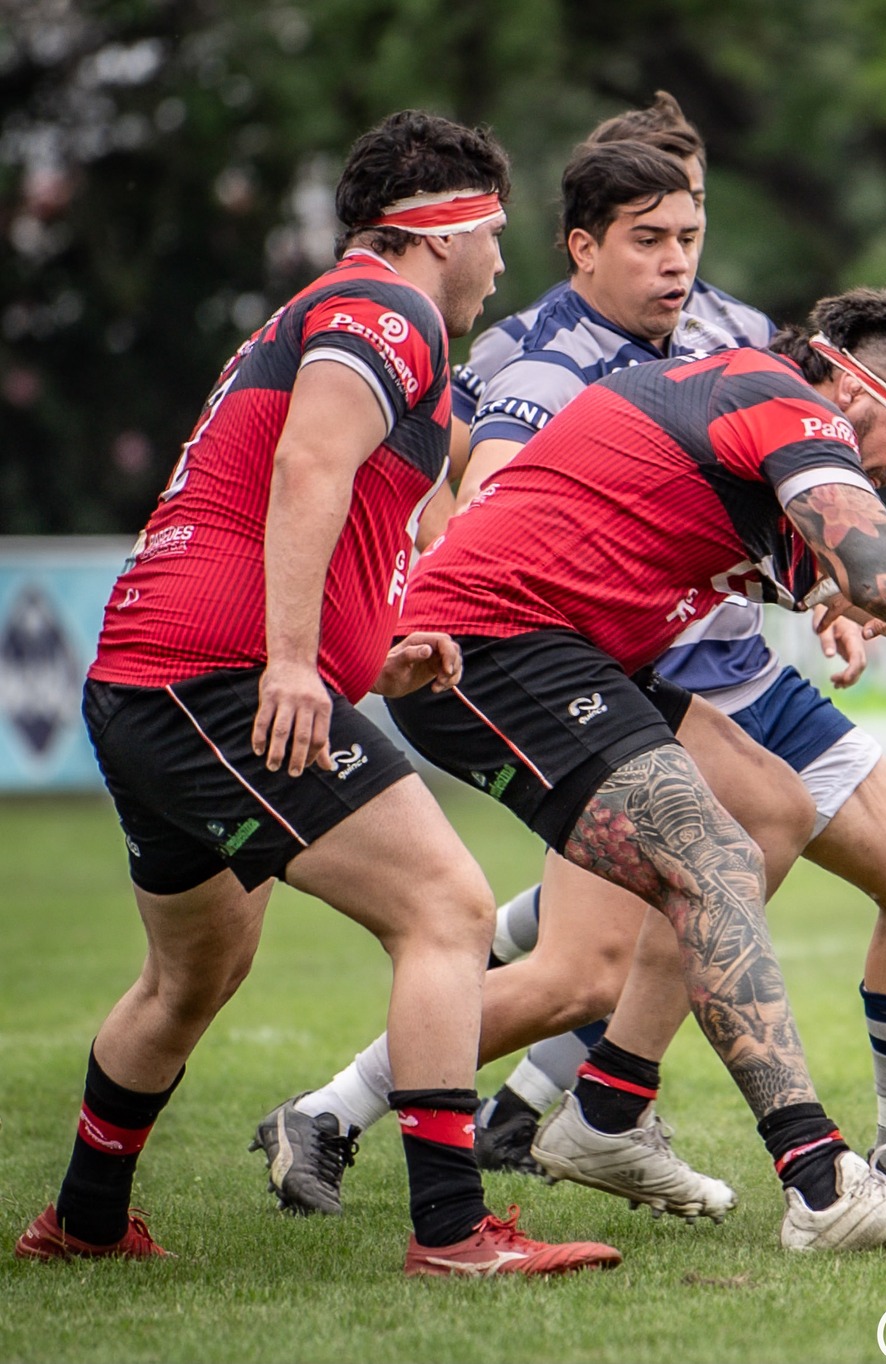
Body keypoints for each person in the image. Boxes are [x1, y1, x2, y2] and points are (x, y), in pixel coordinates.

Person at [259, 96, 886, 1225]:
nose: (678, 259)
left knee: (808, 844)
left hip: (674, 667)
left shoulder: (727, 336)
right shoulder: (544, 361)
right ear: (580, 244)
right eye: (649, 235)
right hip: (550, 655)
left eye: (691, 231)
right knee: (606, 946)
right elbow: (498, 523)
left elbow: (860, 579)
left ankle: (631, 1111)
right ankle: (375, 1107)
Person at [380, 285, 886, 1251]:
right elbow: (883, 571)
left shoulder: (769, 453)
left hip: (571, 653)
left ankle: (609, 1114)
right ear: (848, 394)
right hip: (485, 645)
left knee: (752, 827)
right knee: (703, 868)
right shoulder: (781, 399)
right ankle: (819, 1185)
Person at [16, 111, 622, 1277]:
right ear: (442, 232)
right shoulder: (381, 309)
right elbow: (306, 466)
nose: (505, 260)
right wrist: (295, 662)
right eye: (496, 232)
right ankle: (452, 1228)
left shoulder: (357, 318)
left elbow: (315, 502)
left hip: (158, 682)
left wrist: (369, 651)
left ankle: (83, 1221)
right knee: (445, 905)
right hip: (217, 678)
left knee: (194, 971)